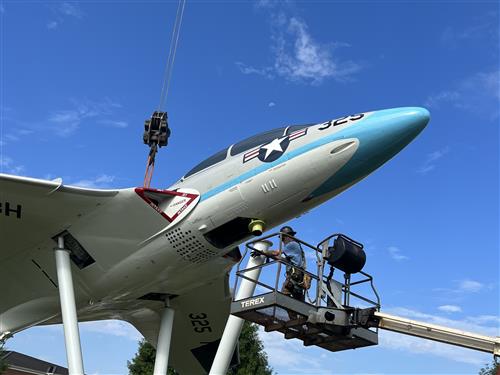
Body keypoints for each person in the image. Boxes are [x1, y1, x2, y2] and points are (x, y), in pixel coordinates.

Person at [265, 226, 305, 302]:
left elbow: (276, 252)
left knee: (284, 294)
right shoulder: (295, 247)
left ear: (286, 237)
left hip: (294, 275)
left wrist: (263, 252)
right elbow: (284, 260)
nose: (282, 241)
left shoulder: (292, 244)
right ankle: (301, 312)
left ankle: (295, 312)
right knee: (298, 300)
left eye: (282, 239)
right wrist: (269, 255)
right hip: (297, 275)